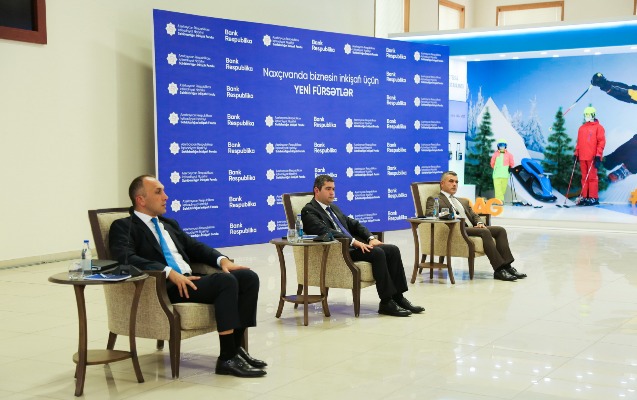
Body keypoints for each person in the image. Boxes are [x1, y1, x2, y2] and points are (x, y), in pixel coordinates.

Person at [109, 175, 266, 378]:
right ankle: (226, 359)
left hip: (189, 280)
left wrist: (222, 260)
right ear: (141, 199)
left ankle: (236, 349)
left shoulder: (168, 223)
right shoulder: (123, 226)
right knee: (225, 282)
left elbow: (195, 247)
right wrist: (168, 272)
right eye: (158, 192)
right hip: (164, 287)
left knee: (247, 277)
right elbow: (126, 258)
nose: (166, 196)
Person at [301, 175, 424, 317]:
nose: (332, 193)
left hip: (351, 247)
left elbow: (354, 224)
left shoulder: (333, 208)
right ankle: (386, 302)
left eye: (333, 189)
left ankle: (398, 297)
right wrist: (354, 242)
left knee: (392, 250)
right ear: (317, 190)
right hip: (338, 251)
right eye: (328, 189)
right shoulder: (309, 211)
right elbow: (326, 231)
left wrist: (370, 238)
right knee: (378, 253)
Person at [425, 171, 527, 282]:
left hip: (471, 228)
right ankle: (498, 270)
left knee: (500, 230)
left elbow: (475, 215)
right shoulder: (435, 199)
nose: (454, 184)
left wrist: (480, 223)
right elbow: (430, 215)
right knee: (485, 232)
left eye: (456, 182)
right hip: (456, 229)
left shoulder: (462, 201)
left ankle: (507, 267)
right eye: (451, 181)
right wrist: (449, 215)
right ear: (442, 183)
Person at [574, 106, 606, 206]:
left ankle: (593, 197)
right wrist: (576, 153)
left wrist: (598, 155)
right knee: (584, 177)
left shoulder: (599, 127)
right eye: (585, 114)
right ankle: (585, 197)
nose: (586, 116)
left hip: (592, 157)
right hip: (582, 156)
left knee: (592, 178)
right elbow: (579, 143)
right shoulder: (581, 128)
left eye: (588, 114)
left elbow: (601, 142)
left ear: (593, 115)